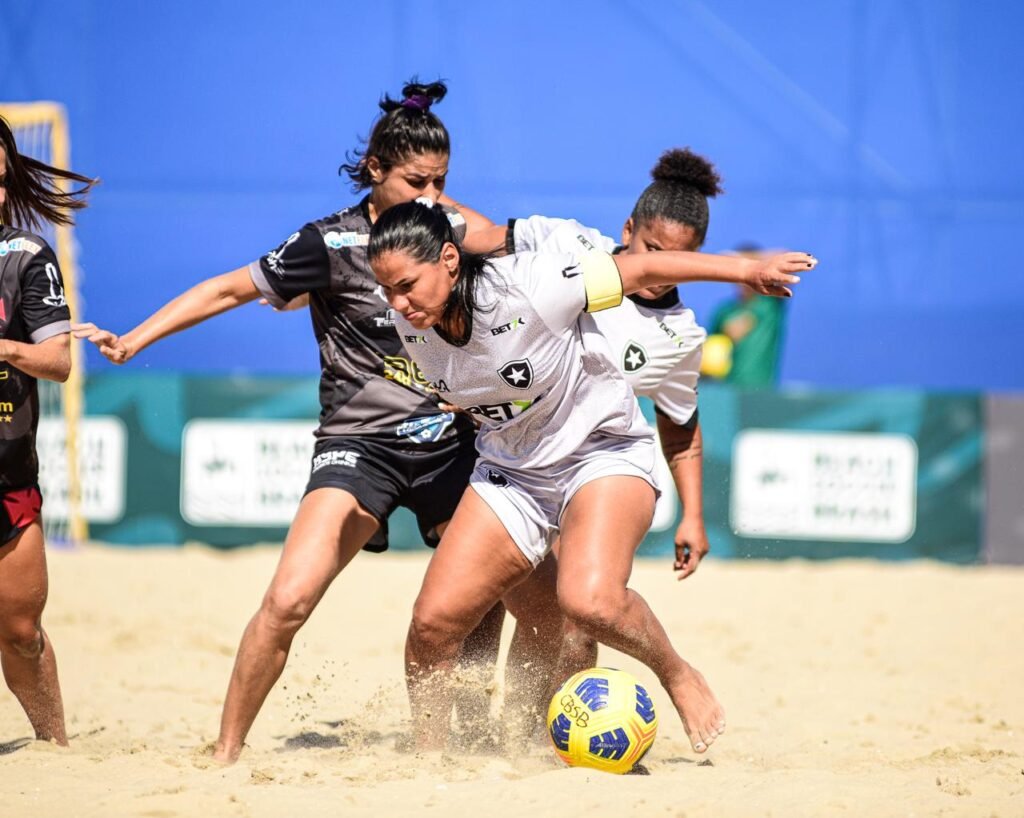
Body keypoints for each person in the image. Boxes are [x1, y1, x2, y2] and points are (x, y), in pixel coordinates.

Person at [73, 80, 499, 763]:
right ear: (374, 170)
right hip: (360, 449)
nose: (430, 197)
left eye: (442, 182)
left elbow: (519, 256)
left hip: (455, 445)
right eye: (417, 180)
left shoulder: (451, 231)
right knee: (289, 599)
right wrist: (134, 339)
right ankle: (225, 755)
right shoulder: (328, 242)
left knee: (484, 594)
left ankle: (464, 744)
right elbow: (225, 288)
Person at [367, 199, 815, 754]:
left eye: (407, 285)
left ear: (451, 259)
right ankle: (428, 761)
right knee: (432, 625)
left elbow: (644, 270)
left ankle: (677, 673)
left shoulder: (532, 284)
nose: (397, 302)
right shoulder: (405, 324)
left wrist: (746, 270)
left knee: (589, 601)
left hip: (600, 453)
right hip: (511, 470)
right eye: (386, 290)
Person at [461, 148, 723, 726]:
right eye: (653, 251)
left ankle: (543, 732)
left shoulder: (680, 335)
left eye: (680, 259)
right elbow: (477, 234)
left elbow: (680, 428)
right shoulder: (567, 244)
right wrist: (415, 204)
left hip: (596, 475)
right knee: (483, 598)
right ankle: (474, 725)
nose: (660, 270)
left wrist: (694, 516)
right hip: (514, 457)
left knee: (579, 610)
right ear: (628, 230)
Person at [0, 114, 97, 745]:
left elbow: (58, 363)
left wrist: (3, 349)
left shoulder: (27, 255)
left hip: (7, 475)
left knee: (20, 630)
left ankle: (53, 748)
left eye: (1, 177)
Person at [706, 243, 788, 387]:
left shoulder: (771, 303)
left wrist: (744, 261)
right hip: (727, 390)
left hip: (761, 390)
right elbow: (710, 352)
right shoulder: (724, 311)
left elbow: (786, 256)